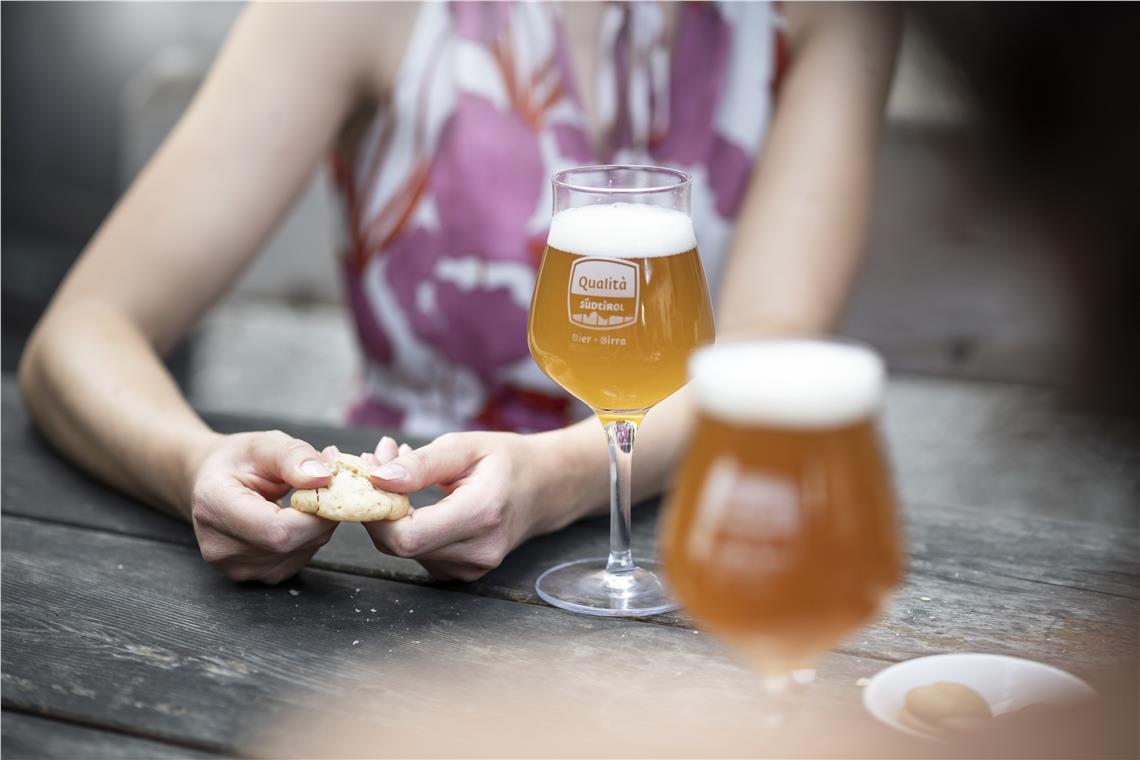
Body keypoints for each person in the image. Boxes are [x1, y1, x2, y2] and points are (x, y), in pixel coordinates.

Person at [18, 2, 899, 584]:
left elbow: (768, 350)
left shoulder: (830, 12)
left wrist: (556, 477)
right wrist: (194, 467)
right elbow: (80, 333)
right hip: (399, 572)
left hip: (693, 562)